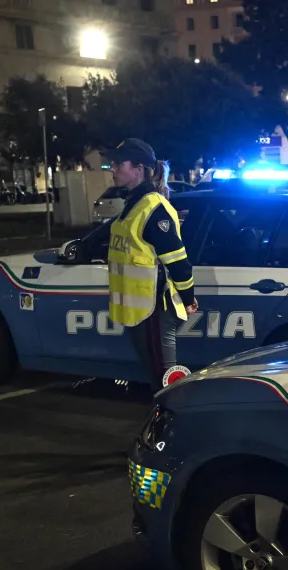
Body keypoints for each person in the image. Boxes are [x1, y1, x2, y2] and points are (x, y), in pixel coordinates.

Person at [103, 138, 198, 390]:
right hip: (142, 311)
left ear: (139, 168)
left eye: (117, 163)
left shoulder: (153, 208)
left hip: (156, 309)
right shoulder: (133, 204)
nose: (112, 169)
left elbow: (178, 261)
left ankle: (174, 426)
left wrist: (188, 298)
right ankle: (164, 423)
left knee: (167, 382)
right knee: (158, 378)